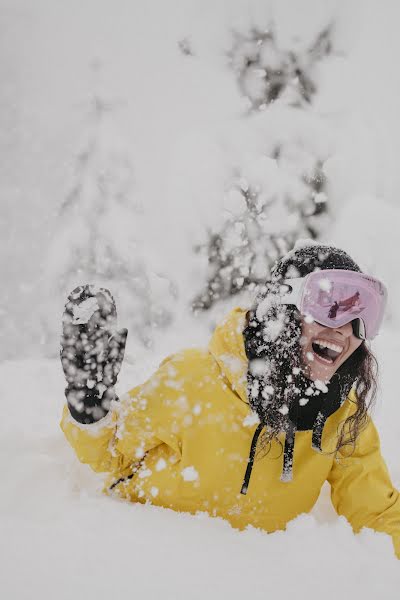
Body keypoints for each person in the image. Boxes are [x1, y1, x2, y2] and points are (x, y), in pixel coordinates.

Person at [60, 241, 400, 559]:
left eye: (362, 315)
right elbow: (110, 455)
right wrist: (90, 406)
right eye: (331, 307)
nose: (346, 329)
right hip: (143, 559)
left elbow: (377, 513)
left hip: (250, 582)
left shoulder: (342, 419)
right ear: (282, 309)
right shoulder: (193, 379)